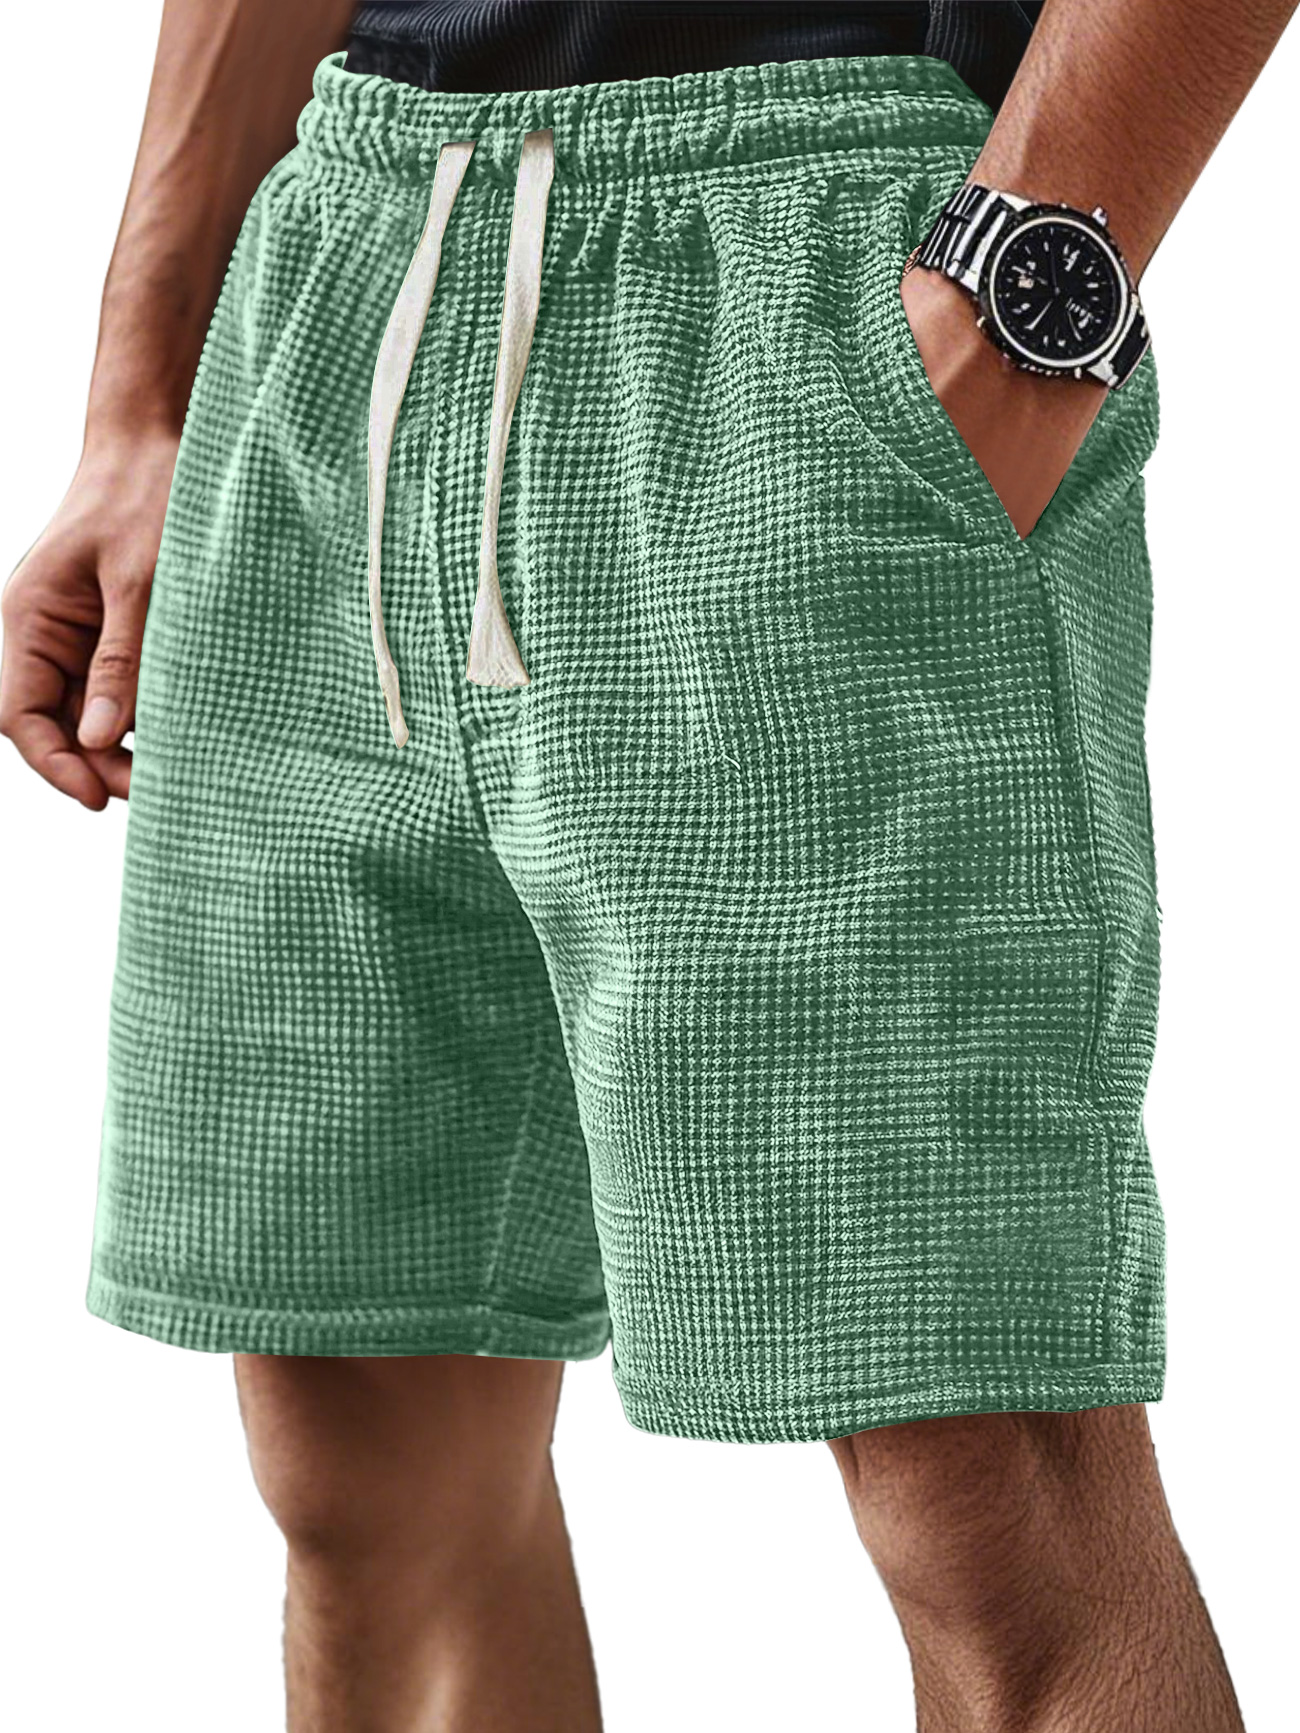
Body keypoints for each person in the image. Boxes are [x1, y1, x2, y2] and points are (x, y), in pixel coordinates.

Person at [1, 1, 1291, 1727]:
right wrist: (141, 390)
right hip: (344, 268)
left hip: (809, 258)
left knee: (980, 1471)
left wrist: (1017, 297)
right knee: (354, 1437)